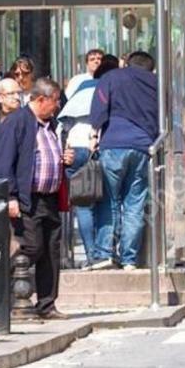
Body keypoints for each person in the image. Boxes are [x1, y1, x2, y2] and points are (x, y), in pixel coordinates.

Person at [0, 78, 72, 319]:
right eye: (55, 101)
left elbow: (47, 156)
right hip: (28, 198)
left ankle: (46, 304)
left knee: (51, 250)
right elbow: (5, 161)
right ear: (41, 100)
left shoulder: (51, 126)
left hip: (50, 197)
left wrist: (65, 159)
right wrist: (10, 196)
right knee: (32, 246)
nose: (58, 106)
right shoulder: (18, 122)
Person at [90, 52, 159, 267]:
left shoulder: (112, 77)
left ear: (127, 63)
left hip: (113, 143)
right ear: (151, 68)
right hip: (142, 147)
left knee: (110, 201)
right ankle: (130, 259)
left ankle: (105, 253)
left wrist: (94, 133)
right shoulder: (156, 82)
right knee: (134, 205)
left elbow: (98, 110)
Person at [59, 65, 107, 268]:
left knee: (83, 203)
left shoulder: (82, 87)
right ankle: (105, 252)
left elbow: (64, 122)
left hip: (75, 147)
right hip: (100, 146)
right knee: (107, 202)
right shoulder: (109, 89)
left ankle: (91, 255)